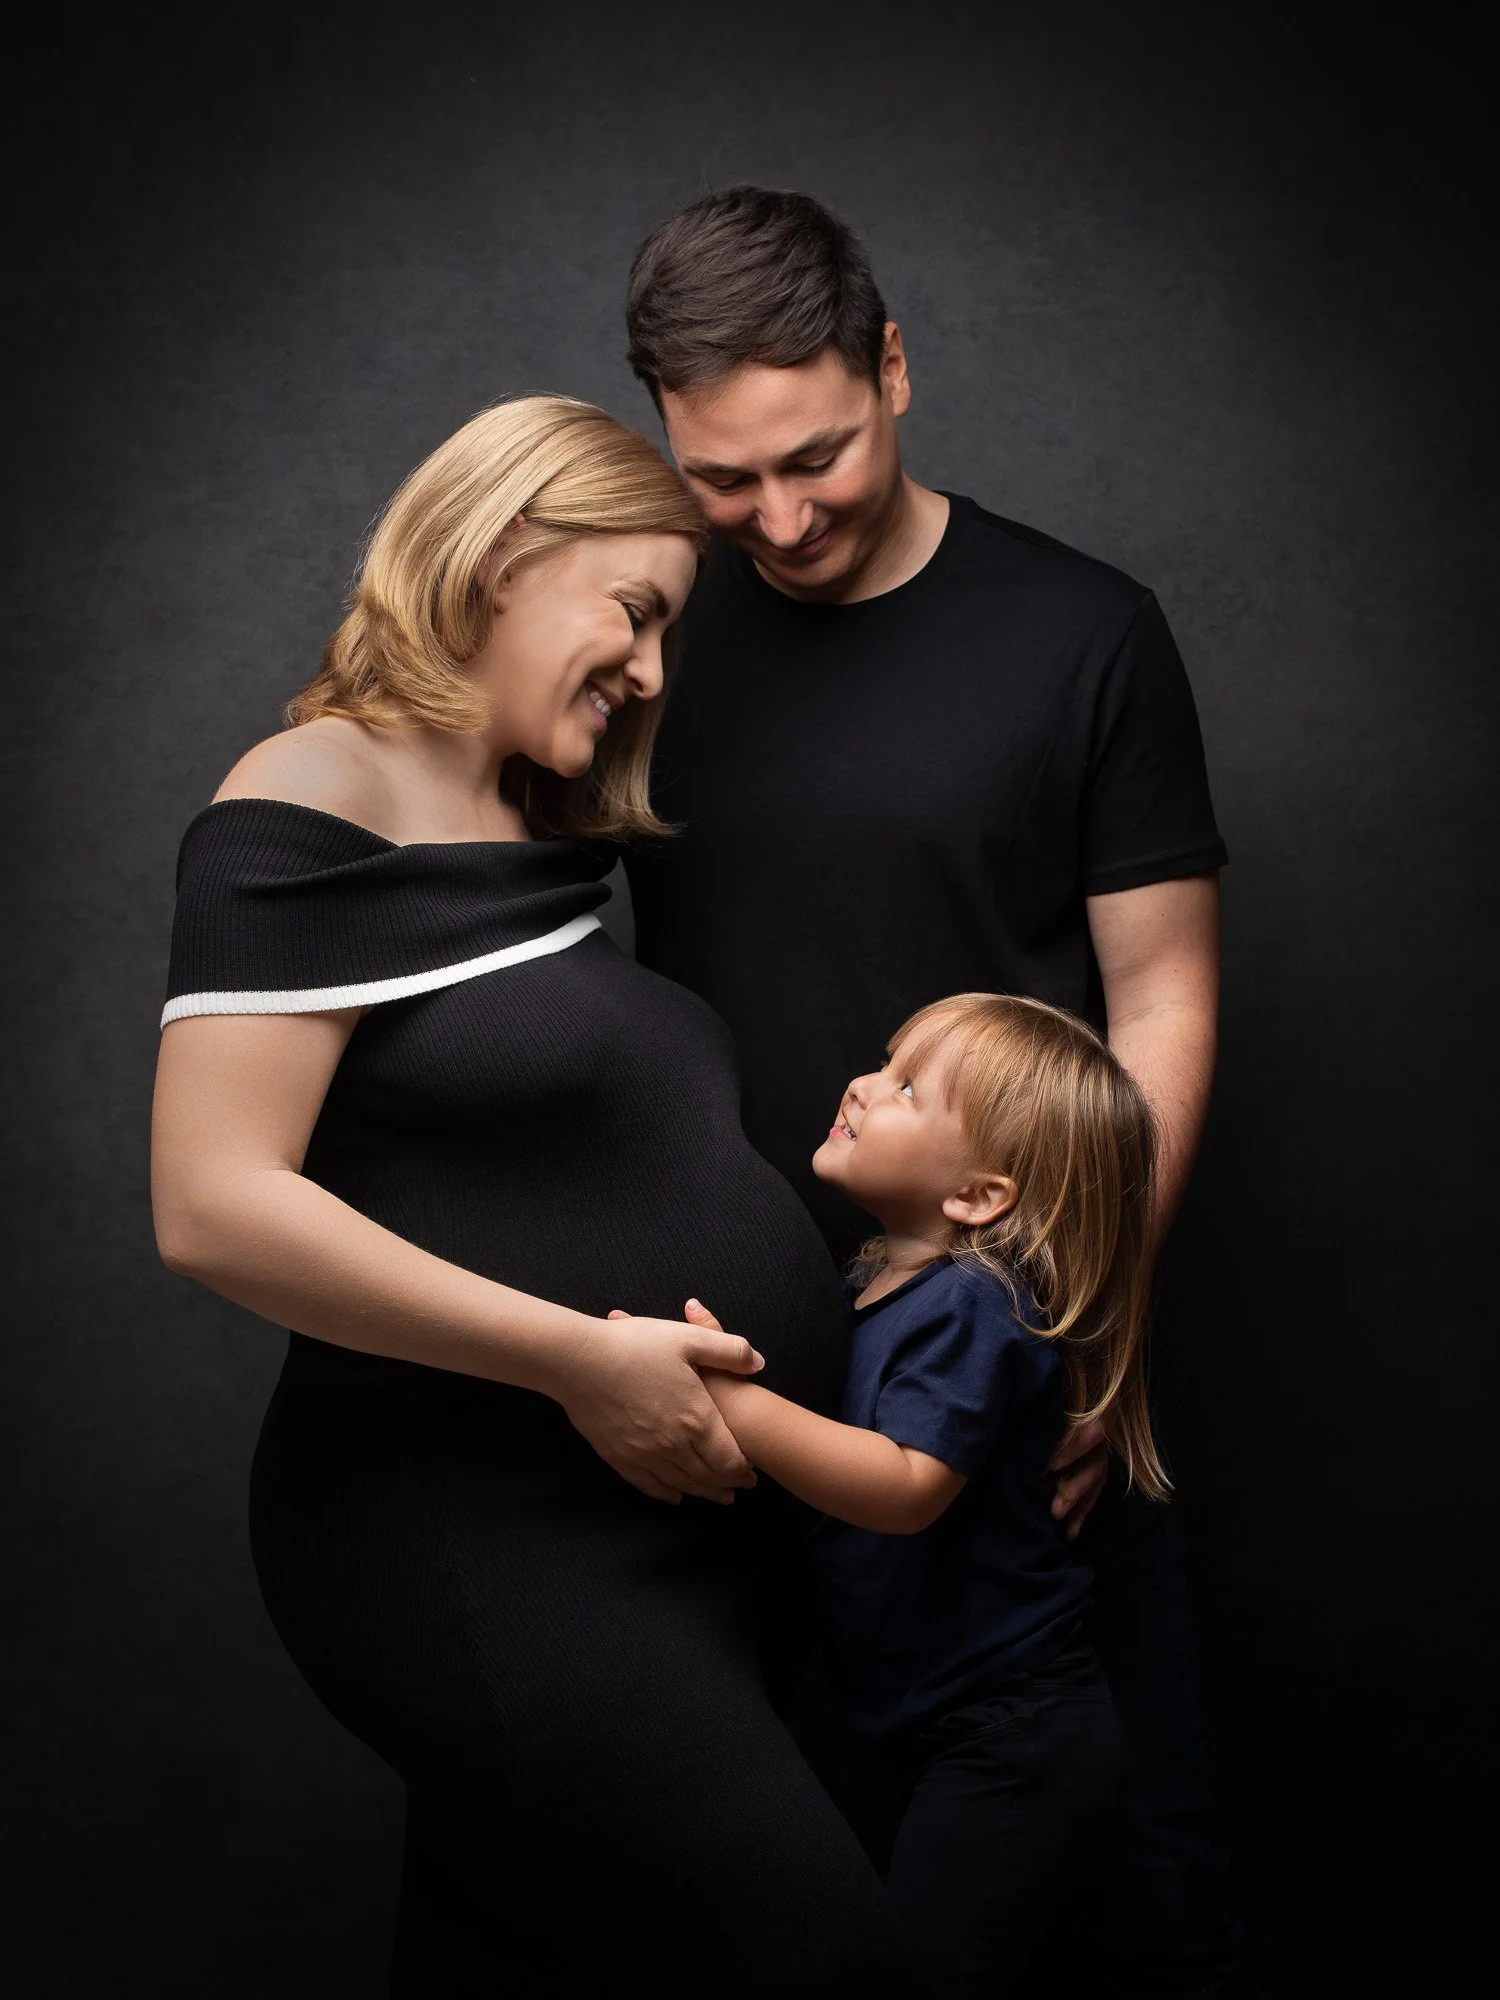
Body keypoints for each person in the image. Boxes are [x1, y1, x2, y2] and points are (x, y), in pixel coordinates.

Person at [150, 394, 906, 1996]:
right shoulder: (315, 787)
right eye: (634, 611)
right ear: (500, 559)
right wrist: (581, 1358)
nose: (652, 671)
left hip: (659, 1539)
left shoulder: (522, 827)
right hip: (477, 1531)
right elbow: (211, 1202)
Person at [623, 187, 1258, 1997]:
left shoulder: (1085, 630)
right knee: (772, 1888)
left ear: (892, 366)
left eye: (815, 455)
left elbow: (1163, 996)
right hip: (726, 1360)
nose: (780, 519)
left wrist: (1094, 1326)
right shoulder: (648, 637)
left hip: (1008, 1349)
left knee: (1135, 1874)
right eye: (722, 480)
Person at [620, 991, 1166, 1998]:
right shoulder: (874, 1282)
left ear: (979, 1197)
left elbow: (906, 1487)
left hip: (1010, 1731)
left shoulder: (974, 1304)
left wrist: (732, 1399)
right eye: (885, 1062)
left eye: (908, 1087)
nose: (863, 1086)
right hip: (924, 1719)